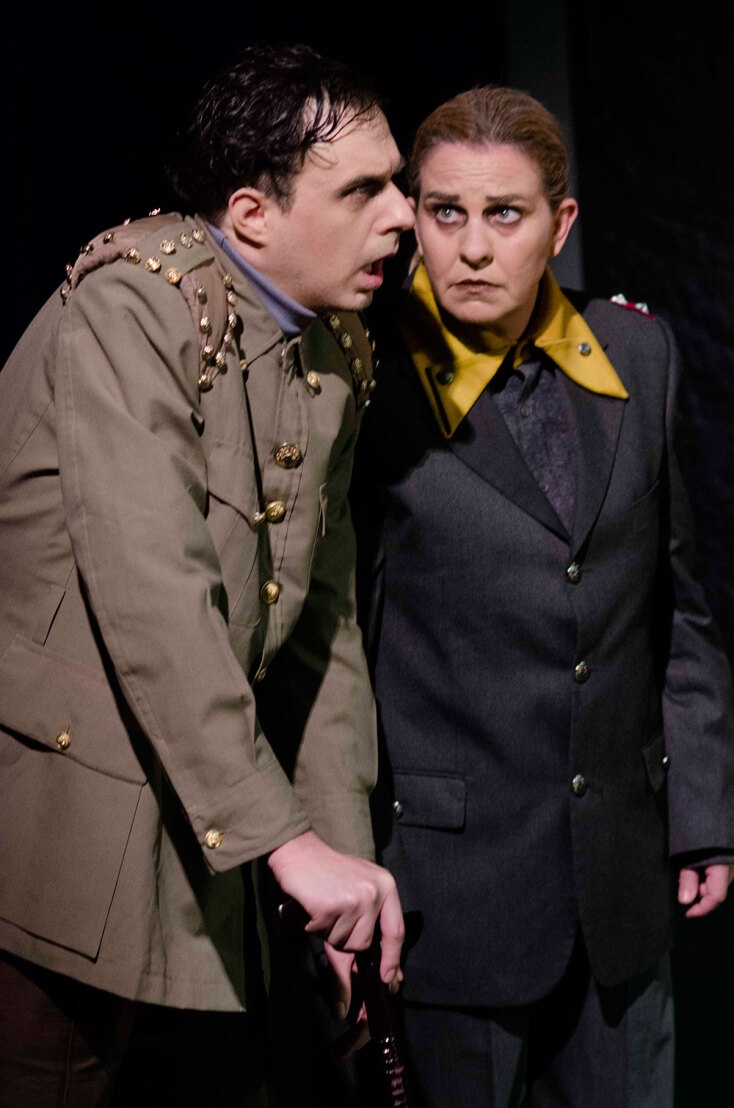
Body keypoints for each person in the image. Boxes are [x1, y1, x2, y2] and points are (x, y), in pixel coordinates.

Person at [0, 44, 414, 1106]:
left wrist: (340, 877)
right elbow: (156, 592)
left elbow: (322, 635)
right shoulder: (136, 304)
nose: (403, 215)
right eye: (363, 190)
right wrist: (289, 844)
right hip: (59, 851)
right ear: (252, 214)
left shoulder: (336, 351)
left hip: (210, 862)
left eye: (397, 183)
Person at [354, 85, 734, 1106]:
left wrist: (700, 811)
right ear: (411, 215)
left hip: (619, 887)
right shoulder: (364, 375)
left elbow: (676, 603)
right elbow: (327, 642)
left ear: (559, 225)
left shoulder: (635, 350)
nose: (472, 247)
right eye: (446, 212)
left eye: (504, 214)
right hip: (444, 893)